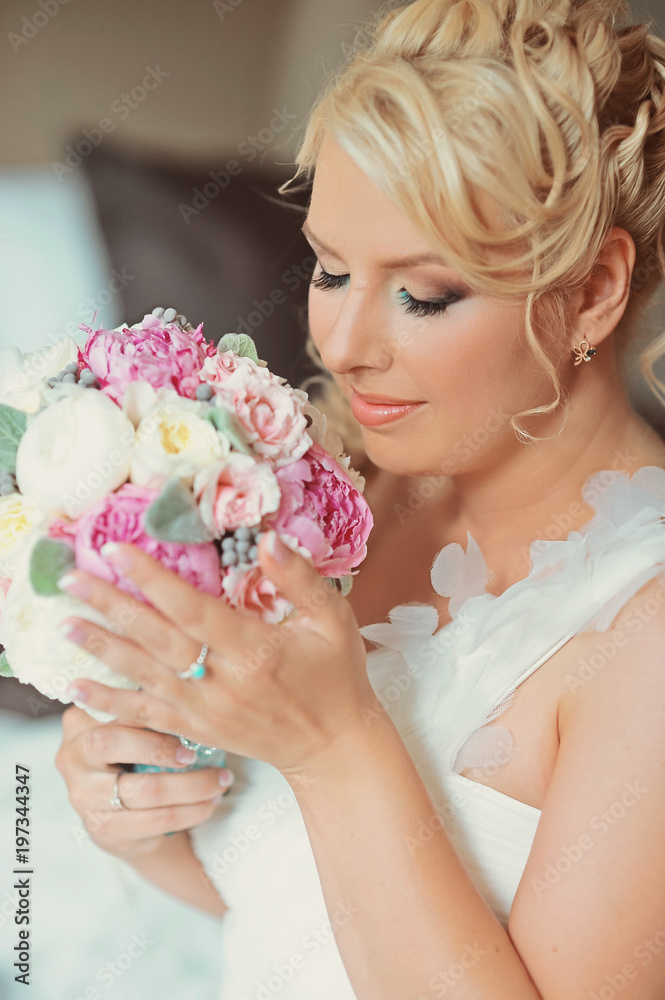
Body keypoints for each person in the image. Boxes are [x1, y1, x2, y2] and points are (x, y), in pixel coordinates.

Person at [55, 0, 665, 997]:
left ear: (591, 290)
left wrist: (338, 746)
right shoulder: (347, 490)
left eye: (421, 294)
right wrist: (138, 816)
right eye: (331, 270)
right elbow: (292, 907)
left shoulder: (640, 634)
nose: (340, 345)